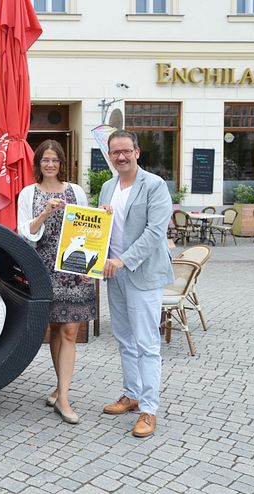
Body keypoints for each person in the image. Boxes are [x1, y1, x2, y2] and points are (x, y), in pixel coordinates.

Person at [98, 129, 173, 438]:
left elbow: (155, 233)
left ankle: (149, 409)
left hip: (140, 273)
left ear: (137, 152)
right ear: (110, 155)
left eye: (126, 151)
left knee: (146, 344)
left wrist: (124, 259)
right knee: (125, 338)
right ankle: (131, 394)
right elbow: (100, 228)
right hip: (113, 273)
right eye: (115, 152)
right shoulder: (106, 187)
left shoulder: (155, 186)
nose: (121, 156)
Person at [17, 139, 95, 425]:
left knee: (71, 331)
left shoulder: (76, 191)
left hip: (74, 269)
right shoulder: (28, 193)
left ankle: (63, 396)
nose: (50, 165)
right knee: (55, 328)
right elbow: (26, 233)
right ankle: (60, 388)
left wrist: (93, 263)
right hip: (44, 269)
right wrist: (45, 212)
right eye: (45, 160)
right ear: (38, 163)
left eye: (55, 160)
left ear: (62, 163)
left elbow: (88, 226)